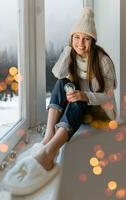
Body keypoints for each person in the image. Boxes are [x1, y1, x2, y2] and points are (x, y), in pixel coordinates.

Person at [34, 7, 117, 171]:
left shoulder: (103, 61)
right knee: (62, 82)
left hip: (101, 114)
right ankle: (49, 135)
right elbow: (58, 74)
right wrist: (67, 51)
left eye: (86, 38)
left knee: (77, 100)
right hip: (80, 105)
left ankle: (51, 151)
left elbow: (108, 96)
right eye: (76, 37)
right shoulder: (71, 54)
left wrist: (84, 96)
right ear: (71, 38)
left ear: (92, 41)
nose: (80, 43)